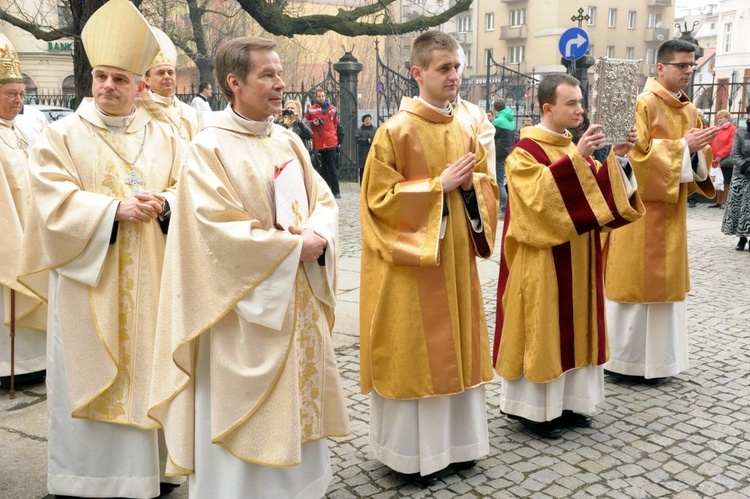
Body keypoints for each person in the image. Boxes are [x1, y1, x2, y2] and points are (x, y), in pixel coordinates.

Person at [148, 37, 350, 498]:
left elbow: (323, 200)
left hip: (295, 301)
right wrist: (288, 250)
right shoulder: (208, 149)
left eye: (280, 74)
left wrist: (319, 234)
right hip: (242, 312)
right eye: (269, 75)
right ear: (234, 83)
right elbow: (213, 231)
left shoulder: (286, 140)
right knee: (248, 418)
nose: (281, 84)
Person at [19, 0, 183, 496]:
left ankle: (153, 474)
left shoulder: (165, 136)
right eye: (100, 77)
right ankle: (85, 480)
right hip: (87, 287)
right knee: (89, 375)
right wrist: (112, 211)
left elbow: (192, 192)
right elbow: (47, 202)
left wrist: (167, 202)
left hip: (152, 281)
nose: (108, 86)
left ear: (140, 85)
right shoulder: (60, 136)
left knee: (149, 370)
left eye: (119, 79)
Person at [360, 30, 499, 487]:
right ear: (417, 73)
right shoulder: (394, 132)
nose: (454, 76)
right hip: (411, 269)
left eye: (458, 67)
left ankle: (459, 445)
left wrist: (469, 188)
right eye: (444, 68)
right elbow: (377, 204)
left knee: (457, 345)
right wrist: (437, 187)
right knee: (415, 353)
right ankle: (411, 454)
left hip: (455, 260)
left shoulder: (465, 128)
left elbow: (485, 188)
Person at [493, 73, 644, 440]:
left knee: (579, 328)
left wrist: (619, 158)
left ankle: (573, 402)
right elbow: (537, 206)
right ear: (548, 108)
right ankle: (535, 410)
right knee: (543, 328)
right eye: (571, 103)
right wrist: (578, 157)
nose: (581, 109)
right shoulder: (523, 152)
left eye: (581, 102)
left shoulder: (573, 147)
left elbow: (600, 200)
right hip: (543, 261)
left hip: (581, 257)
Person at [603, 39, 717, 382]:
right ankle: (624, 362)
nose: (689, 70)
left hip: (673, 215)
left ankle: (661, 363)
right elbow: (630, 159)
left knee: (665, 291)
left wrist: (695, 152)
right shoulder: (642, 104)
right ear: (660, 68)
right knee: (633, 285)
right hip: (639, 216)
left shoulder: (690, 110)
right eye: (682, 65)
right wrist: (683, 147)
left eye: (692, 64)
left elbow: (701, 161)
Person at [0, 34, 47, 387]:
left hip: (30, 226)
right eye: (10, 94)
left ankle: (34, 362)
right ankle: (6, 368)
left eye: (20, 94)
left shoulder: (23, 131)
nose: (18, 100)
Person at [139, 27, 199, 144]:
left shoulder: (190, 113)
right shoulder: (141, 110)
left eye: (170, 72)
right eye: (160, 73)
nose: (167, 76)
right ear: (147, 80)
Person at [721, 107, 750, 250]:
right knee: (739, 209)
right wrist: (747, 167)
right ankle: (742, 238)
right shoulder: (740, 132)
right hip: (741, 176)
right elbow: (735, 154)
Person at [306, 87, 340, 198]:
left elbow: (335, 124)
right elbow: (305, 122)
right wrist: (313, 123)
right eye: (319, 96)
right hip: (319, 142)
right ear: (316, 97)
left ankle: (336, 191)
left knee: (333, 168)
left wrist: (334, 136)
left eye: (322, 96)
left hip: (330, 142)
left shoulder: (333, 109)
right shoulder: (311, 110)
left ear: (325, 97)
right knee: (322, 169)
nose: (321, 98)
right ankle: (324, 191)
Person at [708, 109, 737, 208]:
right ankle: (717, 201)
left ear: (727, 118)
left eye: (721, 117)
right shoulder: (716, 129)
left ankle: (723, 201)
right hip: (715, 159)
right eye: (718, 118)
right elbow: (711, 143)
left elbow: (731, 144)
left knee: (726, 181)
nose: (719, 119)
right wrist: (712, 156)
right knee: (716, 180)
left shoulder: (732, 129)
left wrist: (720, 155)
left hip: (725, 159)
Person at [492, 98, 515, 212]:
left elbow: (490, 135)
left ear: (495, 108)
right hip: (509, 152)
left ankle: (504, 208)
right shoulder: (510, 119)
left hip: (499, 154)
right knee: (507, 181)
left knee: (499, 182)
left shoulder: (498, 121)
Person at [354, 113, 376, 183]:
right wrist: (367, 140)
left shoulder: (375, 129)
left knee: (373, 170)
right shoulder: (359, 130)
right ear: (363, 121)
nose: (368, 121)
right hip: (363, 153)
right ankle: (363, 185)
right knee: (363, 170)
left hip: (373, 152)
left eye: (369, 119)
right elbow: (357, 139)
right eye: (366, 120)